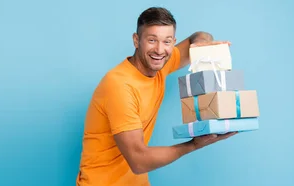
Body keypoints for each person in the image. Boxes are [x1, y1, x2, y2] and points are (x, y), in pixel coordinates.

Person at [75, 7, 236, 186]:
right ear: (136, 40)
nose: (160, 50)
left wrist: (202, 45)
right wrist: (193, 145)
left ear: (173, 41)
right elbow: (138, 161)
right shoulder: (120, 86)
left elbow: (197, 35)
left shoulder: (160, 62)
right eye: (152, 40)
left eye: (167, 41)